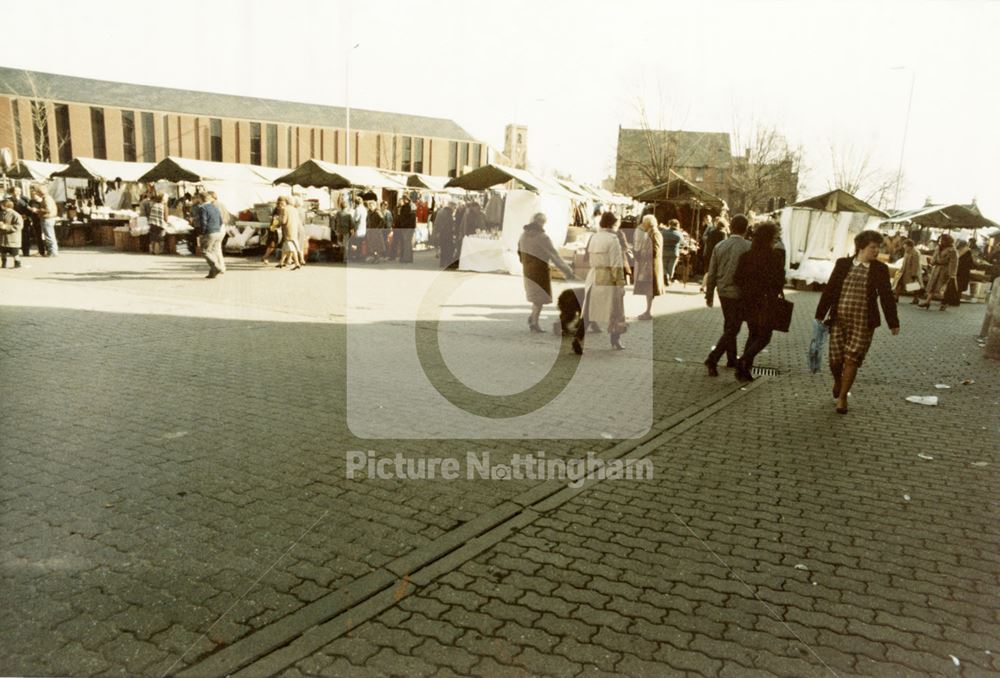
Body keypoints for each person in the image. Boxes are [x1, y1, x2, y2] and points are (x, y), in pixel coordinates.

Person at [815, 230, 900, 414]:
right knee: (835, 360)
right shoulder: (843, 264)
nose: (876, 251)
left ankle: (843, 396)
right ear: (861, 247)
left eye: (878, 248)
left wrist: (893, 322)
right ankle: (838, 380)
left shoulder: (880, 269)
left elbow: (886, 296)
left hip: (863, 323)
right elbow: (830, 289)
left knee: (852, 359)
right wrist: (820, 314)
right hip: (839, 320)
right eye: (873, 247)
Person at [732, 221, 786, 382]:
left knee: (753, 333)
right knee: (764, 336)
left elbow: (737, 278)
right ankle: (743, 362)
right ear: (770, 239)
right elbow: (779, 281)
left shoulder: (746, 256)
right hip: (765, 302)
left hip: (747, 300)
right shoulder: (774, 257)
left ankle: (744, 371)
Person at [703, 214, 752, 376]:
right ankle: (713, 358)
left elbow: (712, 273)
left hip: (723, 291)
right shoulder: (749, 247)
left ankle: (731, 358)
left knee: (730, 325)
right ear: (746, 229)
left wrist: (709, 294)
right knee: (733, 327)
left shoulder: (720, 246)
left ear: (731, 227)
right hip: (739, 293)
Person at [573, 212, 628, 355]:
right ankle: (615, 340)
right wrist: (620, 283)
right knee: (616, 310)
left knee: (589, 310)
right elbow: (616, 264)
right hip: (608, 278)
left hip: (593, 276)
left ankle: (578, 338)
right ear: (612, 223)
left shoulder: (594, 237)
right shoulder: (613, 239)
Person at [518, 212, 576, 333]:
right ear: (542, 223)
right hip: (539, 270)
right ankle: (534, 322)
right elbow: (554, 256)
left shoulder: (523, 235)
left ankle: (533, 318)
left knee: (536, 297)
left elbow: (519, 251)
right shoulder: (542, 238)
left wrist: (524, 262)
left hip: (528, 269)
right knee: (539, 298)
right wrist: (568, 270)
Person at [632, 214, 664, 320]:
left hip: (652, 267)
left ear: (648, 224)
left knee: (650, 290)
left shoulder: (655, 234)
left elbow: (655, 251)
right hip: (648, 266)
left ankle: (648, 312)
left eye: (643, 223)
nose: (642, 225)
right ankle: (647, 311)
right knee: (648, 290)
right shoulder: (650, 233)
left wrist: (642, 254)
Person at [919, 234, 958, 310]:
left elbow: (953, 263)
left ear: (947, 241)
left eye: (942, 240)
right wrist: (932, 262)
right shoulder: (938, 248)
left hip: (945, 270)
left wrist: (952, 275)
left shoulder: (952, 251)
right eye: (940, 240)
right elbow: (934, 257)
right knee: (932, 286)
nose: (940, 241)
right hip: (937, 269)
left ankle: (944, 303)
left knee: (941, 288)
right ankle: (927, 302)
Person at [198, 192, 225, 279]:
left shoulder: (203, 208)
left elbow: (203, 222)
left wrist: (202, 233)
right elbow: (221, 221)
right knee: (214, 252)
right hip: (218, 232)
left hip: (209, 232)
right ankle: (212, 273)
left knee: (205, 251)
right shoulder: (215, 208)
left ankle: (216, 267)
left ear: (201, 199)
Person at [893, 238, 923, 303]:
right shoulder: (907, 251)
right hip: (904, 270)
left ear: (910, 246)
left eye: (906, 247)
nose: (905, 248)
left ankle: (916, 298)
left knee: (913, 286)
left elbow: (915, 264)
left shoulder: (915, 253)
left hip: (910, 272)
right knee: (899, 283)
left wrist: (914, 274)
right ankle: (896, 297)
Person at [32, 185, 58, 257]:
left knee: (49, 236)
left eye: (38, 192)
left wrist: (37, 210)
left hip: (47, 218)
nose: (37, 194)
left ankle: (52, 252)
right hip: (48, 218)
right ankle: (53, 251)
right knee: (50, 235)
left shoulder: (46, 198)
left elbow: (48, 209)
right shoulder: (47, 198)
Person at [9, 186, 35, 257]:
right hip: (13, 221)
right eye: (16, 191)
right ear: (11, 192)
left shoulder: (25, 199)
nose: (18, 192)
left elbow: (29, 209)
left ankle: (26, 252)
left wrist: (27, 215)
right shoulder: (8, 200)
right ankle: (13, 252)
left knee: (25, 236)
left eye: (19, 191)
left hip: (24, 220)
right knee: (13, 236)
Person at [1, 199, 25, 269]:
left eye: (1, 205)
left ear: (5, 206)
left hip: (13, 238)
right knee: (3, 251)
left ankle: (17, 264)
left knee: (15, 252)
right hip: (3, 238)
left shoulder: (15, 215)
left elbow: (19, 226)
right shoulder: (2, 213)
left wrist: (7, 227)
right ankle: (3, 263)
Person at [660, 219, 683, 286]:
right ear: (677, 225)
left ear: (669, 224)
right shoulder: (679, 234)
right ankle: (669, 277)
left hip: (664, 251)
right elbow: (682, 242)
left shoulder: (664, 232)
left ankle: (666, 275)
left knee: (663, 266)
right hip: (674, 252)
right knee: (671, 267)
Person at [393, 195, 416, 263]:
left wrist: (403, 225)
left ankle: (406, 258)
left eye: (403, 199)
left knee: (406, 243)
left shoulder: (407, 207)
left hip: (407, 227)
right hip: (409, 227)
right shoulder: (411, 206)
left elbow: (404, 218)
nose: (402, 200)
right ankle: (409, 258)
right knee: (408, 243)